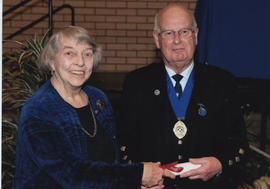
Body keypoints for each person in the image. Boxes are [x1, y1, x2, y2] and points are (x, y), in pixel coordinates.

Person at [12, 26, 175, 189]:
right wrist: (137, 175)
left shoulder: (98, 99)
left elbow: (110, 163)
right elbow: (71, 174)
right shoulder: (40, 109)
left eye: (87, 54)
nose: (80, 62)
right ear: (52, 61)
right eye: (69, 53)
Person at [117, 4, 249, 189]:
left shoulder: (222, 82)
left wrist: (219, 165)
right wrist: (139, 176)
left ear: (195, 35)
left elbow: (239, 145)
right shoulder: (137, 83)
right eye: (169, 33)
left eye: (184, 31)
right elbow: (123, 144)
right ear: (157, 39)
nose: (177, 40)